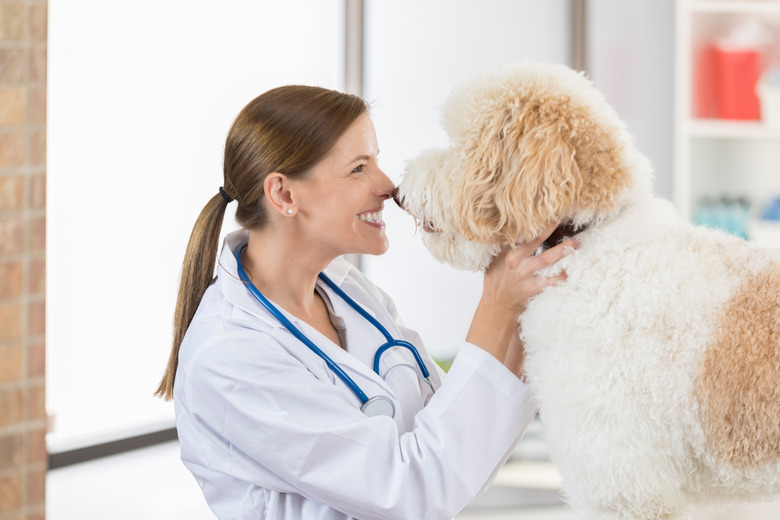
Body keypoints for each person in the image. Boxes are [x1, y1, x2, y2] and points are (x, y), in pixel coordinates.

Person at [155, 84, 575, 520]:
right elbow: (410, 490)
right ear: (283, 195)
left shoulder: (348, 290)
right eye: (358, 168)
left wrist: (527, 299)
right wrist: (496, 305)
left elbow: (452, 443)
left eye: (376, 160)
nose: (388, 186)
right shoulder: (229, 356)